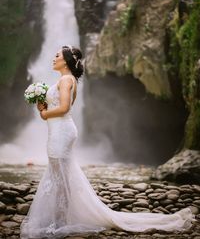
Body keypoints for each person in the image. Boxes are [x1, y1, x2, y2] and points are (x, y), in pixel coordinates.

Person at [20, 45, 196, 239]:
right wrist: (42, 105)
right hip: (59, 130)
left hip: (61, 131)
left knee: (60, 178)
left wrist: (44, 113)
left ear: (67, 61)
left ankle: (60, 222)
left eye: (57, 56)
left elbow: (63, 108)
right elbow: (58, 108)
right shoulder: (66, 80)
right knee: (58, 175)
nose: (53, 58)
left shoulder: (66, 80)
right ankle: (60, 219)